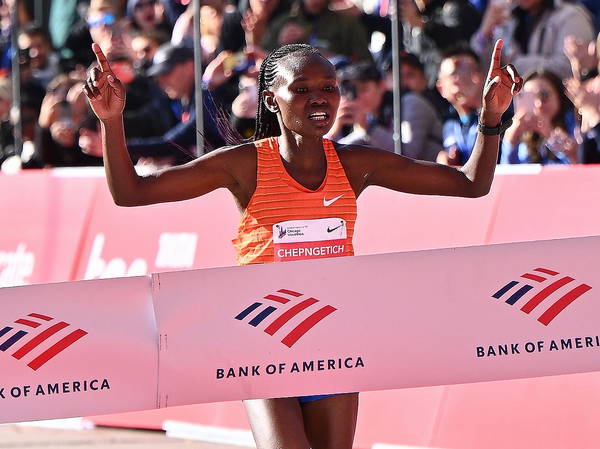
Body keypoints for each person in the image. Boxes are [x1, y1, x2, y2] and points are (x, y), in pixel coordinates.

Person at [84, 39, 520, 449]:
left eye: (329, 88)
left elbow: (471, 183)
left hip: (333, 340)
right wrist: (111, 121)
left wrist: (491, 118)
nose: (320, 98)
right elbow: (132, 193)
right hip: (261, 342)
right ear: (272, 99)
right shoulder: (244, 164)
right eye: (303, 89)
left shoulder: (355, 163)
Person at [501, 69, 577, 164]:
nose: (538, 104)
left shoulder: (575, 124)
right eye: (531, 98)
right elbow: (509, 175)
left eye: (544, 95)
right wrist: (510, 142)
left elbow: (575, 166)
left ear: (559, 96)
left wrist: (550, 135)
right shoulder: (523, 137)